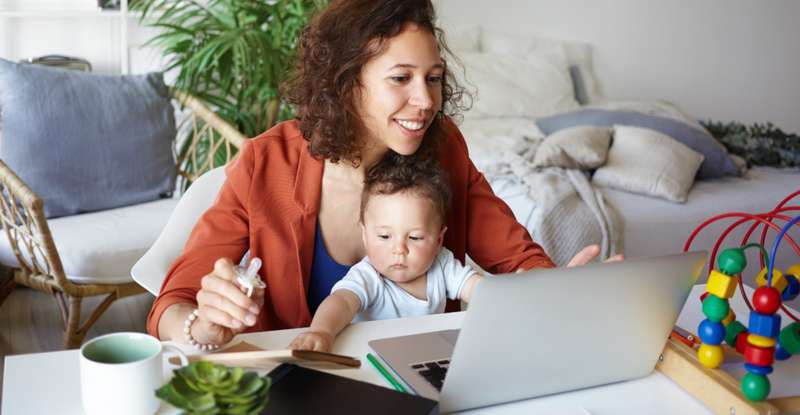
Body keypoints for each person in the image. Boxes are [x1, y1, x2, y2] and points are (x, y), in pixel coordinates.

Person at [147, 0, 617, 349]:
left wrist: (560, 291)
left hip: (417, 378)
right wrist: (201, 325)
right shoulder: (266, 162)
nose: (427, 101)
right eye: (401, 78)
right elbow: (172, 303)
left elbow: (517, 260)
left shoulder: (445, 148)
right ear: (346, 83)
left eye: (433, 78)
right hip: (296, 387)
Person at [289, 155, 482, 352]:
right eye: (384, 236)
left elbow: (478, 289)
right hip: (370, 359)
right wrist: (322, 331)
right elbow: (342, 302)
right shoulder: (369, 276)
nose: (399, 249)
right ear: (365, 235)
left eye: (415, 237)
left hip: (422, 357)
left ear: (439, 239)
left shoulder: (442, 265)